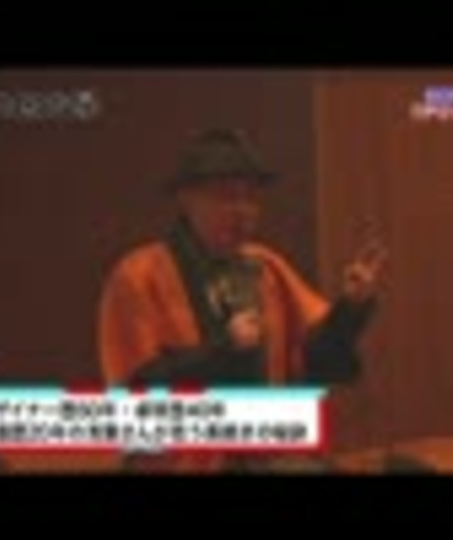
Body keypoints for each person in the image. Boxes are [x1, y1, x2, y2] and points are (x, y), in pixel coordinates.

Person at [97, 128, 387, 472]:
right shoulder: (139, 275)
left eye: (250, 198)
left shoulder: (265, 268)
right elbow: (136, 389)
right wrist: (223, 349)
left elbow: (314, 361)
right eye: (225, 197)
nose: (241, 211)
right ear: (186, 200)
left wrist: (350, 308)